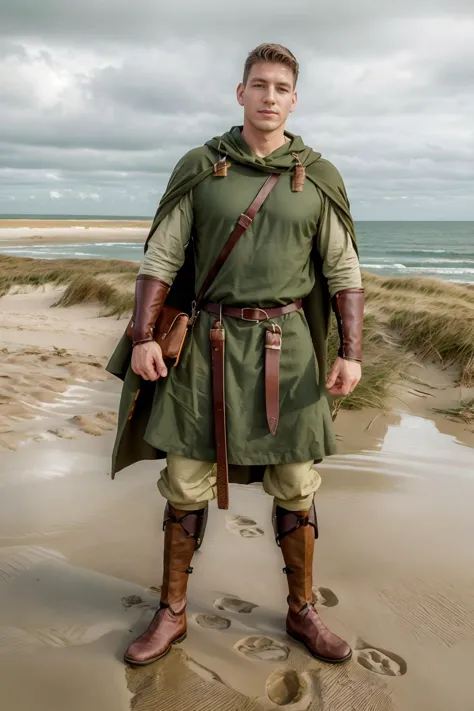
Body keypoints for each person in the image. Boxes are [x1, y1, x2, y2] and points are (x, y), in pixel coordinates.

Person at [106, 42, 364, 667]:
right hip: (209, 345)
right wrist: (143, 336)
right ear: (240, 93)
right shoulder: (202, 166)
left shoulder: (319, 174)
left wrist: (351, 351)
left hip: (290, 347)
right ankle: (171, 612)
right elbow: (162, 258)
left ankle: (302, 609)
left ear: (293, 99)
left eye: (280, 87)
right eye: (259, 85)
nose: (269, 96)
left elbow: (342, 266)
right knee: (187, 479)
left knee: (298, 481)